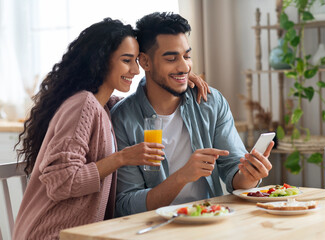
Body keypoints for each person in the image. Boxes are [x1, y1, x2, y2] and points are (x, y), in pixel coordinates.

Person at [13, 18, 208, 240]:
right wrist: (121, 158)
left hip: (85, 233)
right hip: (55, 234)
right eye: (127, 60)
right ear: (101, 61)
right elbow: (61, 182)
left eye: (136, 60)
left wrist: (179, 77)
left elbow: (142, 99)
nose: (135, 70)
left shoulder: (104, 106)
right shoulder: (83, 105)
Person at [111, 12, 274, 217]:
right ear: (145, 62)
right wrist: (182, 177)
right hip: (154, 229)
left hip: (209, 220)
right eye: (172, 59)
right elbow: (126, 203)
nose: (184, 67)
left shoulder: (210, 102)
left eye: (187, 56)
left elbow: (233, 169)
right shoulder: (122, 119)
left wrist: (250, 175)